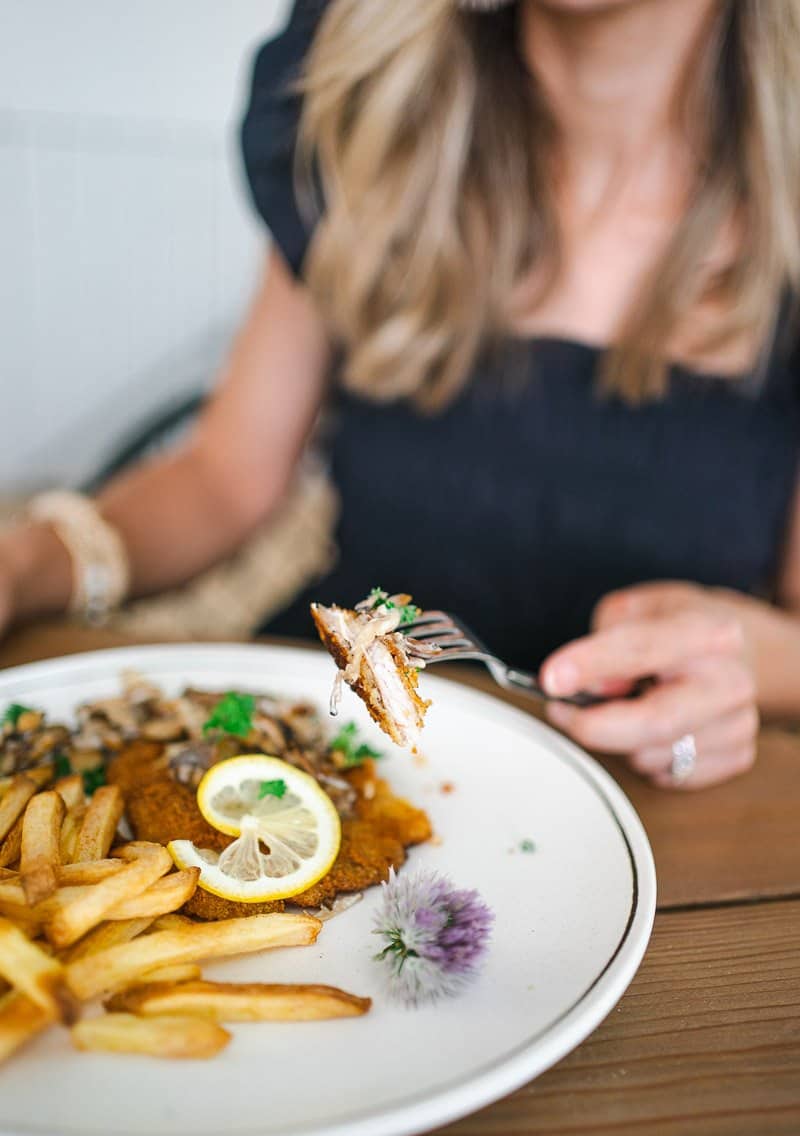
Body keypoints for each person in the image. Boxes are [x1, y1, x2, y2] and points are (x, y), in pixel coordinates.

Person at [2, 0, 800, 790]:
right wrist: (25, 561)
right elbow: (224, 477)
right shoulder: (360, 103)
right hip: (333, 744)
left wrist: (741, 662)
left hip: (648, 804)